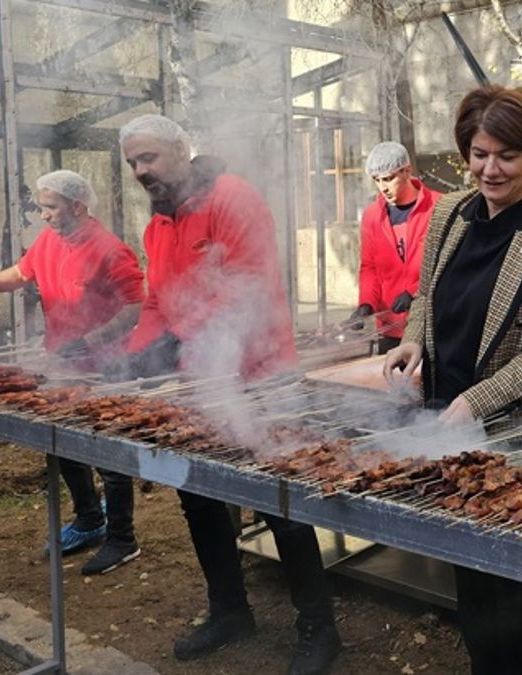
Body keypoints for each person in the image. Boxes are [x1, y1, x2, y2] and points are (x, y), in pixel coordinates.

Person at [383, 85, 522, 674]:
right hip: (449, 418)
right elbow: (427, 293)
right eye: (479, 154)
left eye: (507, 155)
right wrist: (413, 339)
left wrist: (478, 400)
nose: (490, 169)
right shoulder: (450, 213)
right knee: (474, 576)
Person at [115, 114, 341, 674]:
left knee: (279, 500)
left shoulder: (232, 198)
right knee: (198, 495)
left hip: (263, 377)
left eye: (149, 157)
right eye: (132, 162)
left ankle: (318, 626)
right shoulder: (157, 226)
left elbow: (248, 288)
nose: (140, 170)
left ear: (180, 150)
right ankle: (229, 610)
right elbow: (157, 301)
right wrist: (138, 352)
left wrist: (176, 340)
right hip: (202, 381)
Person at [0, 170, 147, 576]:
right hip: (60, 362)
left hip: (105, 366)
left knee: (109, 453)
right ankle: (90, 518)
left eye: (50, 207)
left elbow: (135, 306)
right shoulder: (49, 240)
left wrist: (89, 340)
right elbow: (20, 273)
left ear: (77, 207)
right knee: (61, 442)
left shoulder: (111, 250)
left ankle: (123, 538)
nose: (43, 214)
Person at [347, 142, 442, 353]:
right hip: (390, 328)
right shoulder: (372, 216)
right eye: (377, 180)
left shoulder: (438, 208)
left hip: (431, 325)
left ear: (407, 171)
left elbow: (447, 265)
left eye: (389, 178)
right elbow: (369, 267)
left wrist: (415, 293)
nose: (383, 187)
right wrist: (366, 304)